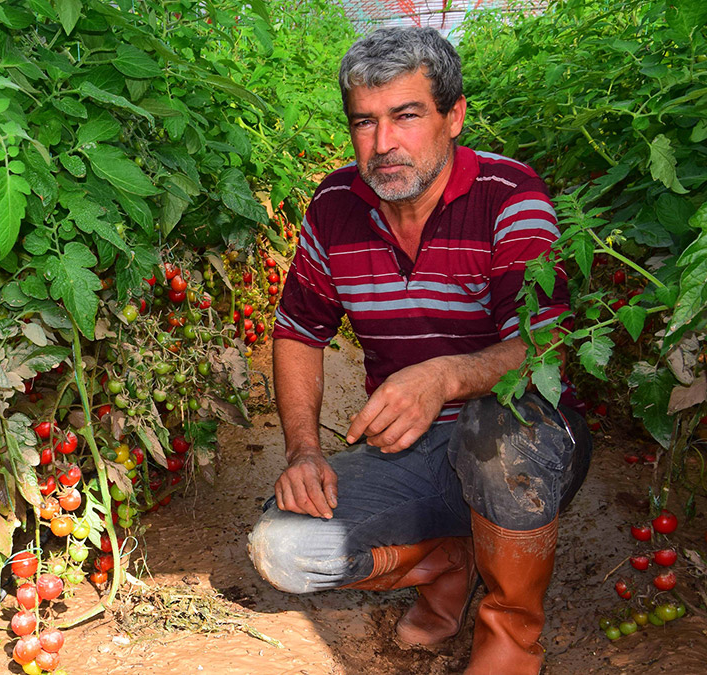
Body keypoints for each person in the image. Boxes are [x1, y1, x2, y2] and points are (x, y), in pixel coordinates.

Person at [246, 27, 592, 675]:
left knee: (498, 433)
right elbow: (298, 330)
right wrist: (303, 449)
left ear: (454, 115)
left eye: (406, 116)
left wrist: (444, 375)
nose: (383, 145)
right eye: (365, 123)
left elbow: (545, 345)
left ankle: (511, 638)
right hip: (413, 446)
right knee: (284, 548)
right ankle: (452, 555)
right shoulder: (335, 206)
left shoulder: (510, 196)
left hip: (526, 434)